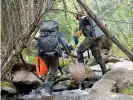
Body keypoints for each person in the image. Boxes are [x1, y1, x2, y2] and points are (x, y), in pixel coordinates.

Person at [36, 20, 71, 95]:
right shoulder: (57, 33)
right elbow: (64, 43)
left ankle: (43, 89)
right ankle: (47, 93)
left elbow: (37, 46)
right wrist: (69, 51)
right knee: (52, 74)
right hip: (54, 55)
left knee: (48, 71)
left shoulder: (42, 34)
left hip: (44, 55)